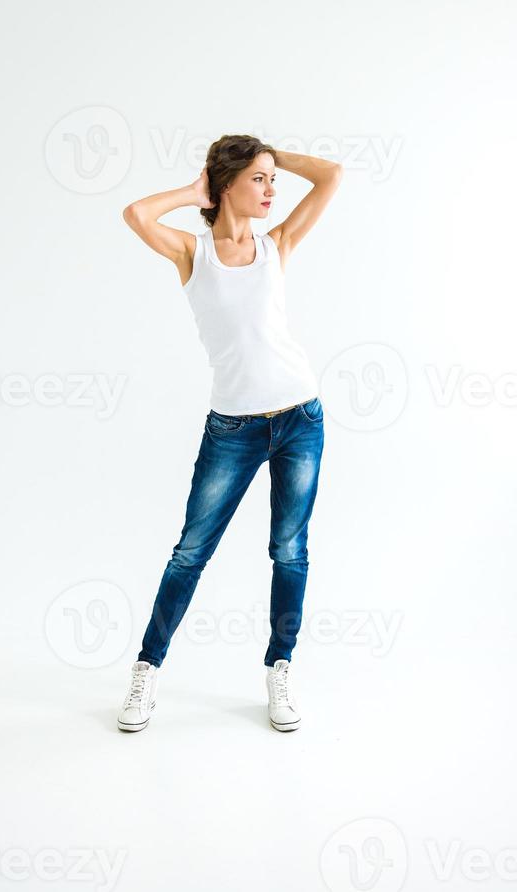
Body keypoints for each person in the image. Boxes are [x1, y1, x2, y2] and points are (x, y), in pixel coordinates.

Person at [117, 134, 343, 732]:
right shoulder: (193, 254)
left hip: (300, 416)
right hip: (234, 429)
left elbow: (331, 176)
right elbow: (136, 214)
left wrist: (273, 155)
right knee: (191, 553)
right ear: (227, 187)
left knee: (289, 552)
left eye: (273, 180)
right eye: (259, 180)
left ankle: (280, 668)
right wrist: (197, 191)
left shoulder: (278, 245)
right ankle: (147, 669)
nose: (271, 190)